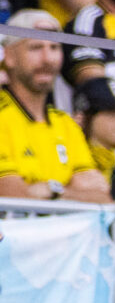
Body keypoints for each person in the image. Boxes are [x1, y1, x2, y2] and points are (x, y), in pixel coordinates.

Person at [0, 11, 108, 202]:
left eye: (54, 47)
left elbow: (101, 197)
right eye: (35, 47)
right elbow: (11, 194)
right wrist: (70, 191)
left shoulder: (66, 123)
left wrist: (54, 191)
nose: (48, 58)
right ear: (9, 56)